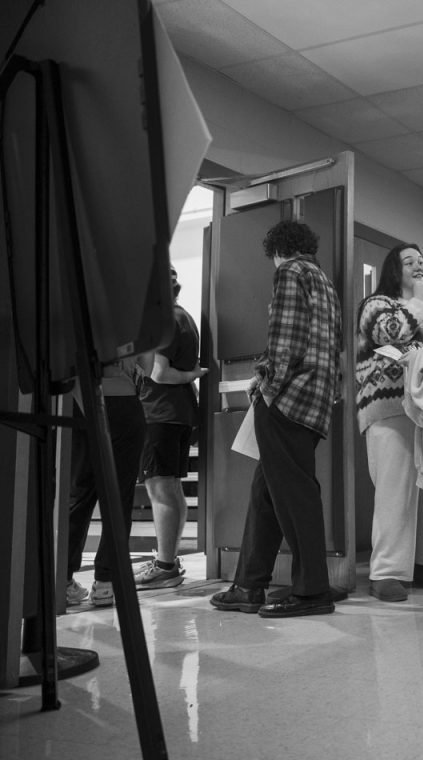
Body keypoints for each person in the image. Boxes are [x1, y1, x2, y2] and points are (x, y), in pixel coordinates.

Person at [210, 220, 341, 618]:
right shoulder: (324, 282)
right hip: (314, 402)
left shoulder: (290, 271)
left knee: (294, 496)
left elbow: (285, 341)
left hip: (287, 401)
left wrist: (264, 380)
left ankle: (312, 590)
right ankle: (249, 585)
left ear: (278, 250)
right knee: (267, 494)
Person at [355, 242, 423, 603]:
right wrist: (420, 302)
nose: (418, 266)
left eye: (422, 261)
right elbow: (389, 331)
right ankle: (387, 571)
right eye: (409, 262)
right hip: (389, 408)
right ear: (394, 270)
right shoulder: (376, 305)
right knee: (395, 490)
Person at [133, 267, 206, 589]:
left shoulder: (162, 322)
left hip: (158, 413)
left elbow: (159, 373)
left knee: (159, 489)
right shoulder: (184, 317)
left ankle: (164, 566)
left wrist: (191, 376)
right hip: (178, 413)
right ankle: (169, 561)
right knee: (171, 487)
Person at [65, 356, 149, 606]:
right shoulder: (132, 316)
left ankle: (62, 580)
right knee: (118, 498)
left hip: (78, 397)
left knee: (78, 493)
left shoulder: (72, 315)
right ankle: (105, 583)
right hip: (122, 400)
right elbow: (148, 362)